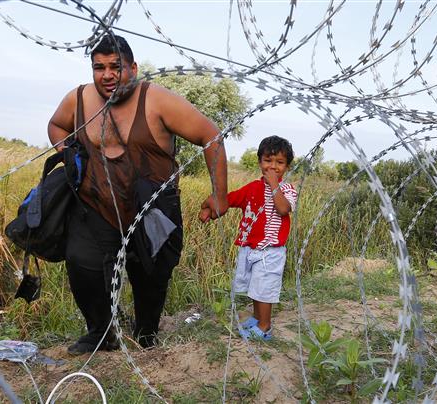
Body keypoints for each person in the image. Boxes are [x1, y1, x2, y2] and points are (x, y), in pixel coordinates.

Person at [48, 34, 228, 354]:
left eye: (115, 67)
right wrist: (68, 152)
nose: (107, 75)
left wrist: (220, 194)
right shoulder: (79, 99)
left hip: (151, 209)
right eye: (99, 67)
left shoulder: (157, 100)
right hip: (97, 206)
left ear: (133, 68)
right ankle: (101, 333)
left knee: (150, 278)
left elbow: (210, 135)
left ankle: (146, 336)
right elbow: (57, 125)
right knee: (82, 264)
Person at [201, 136, 297, 341]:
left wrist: (274, 185)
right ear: (260, 162)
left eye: (280, 162)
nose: (273, 166)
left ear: (287, 167)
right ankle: (256, 318)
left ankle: (264, 327)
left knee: (264, 290)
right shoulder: (252, 188)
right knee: (255, 287)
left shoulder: (287, 190)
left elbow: (283, 209)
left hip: (270, 251)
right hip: (250, 249)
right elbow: (229, 200)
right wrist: (210, 208)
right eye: (268, 160)